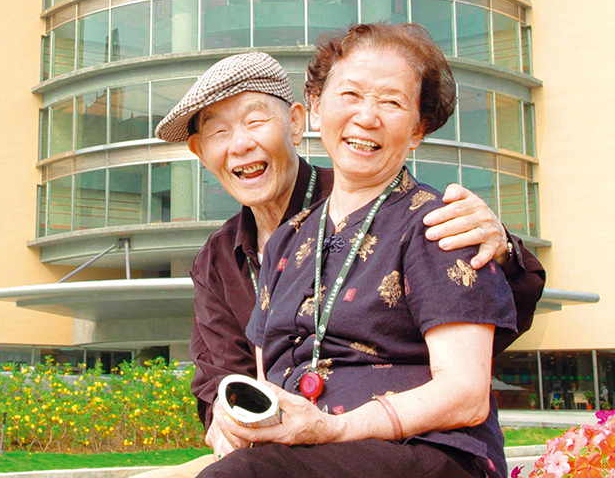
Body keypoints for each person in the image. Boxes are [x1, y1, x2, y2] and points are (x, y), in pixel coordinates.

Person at [153, 48, 545, 460]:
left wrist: (499, 247)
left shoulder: (370, 190)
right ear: (200, 152)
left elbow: (484, 323)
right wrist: (227, 416)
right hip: (282, 445)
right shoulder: (216, 260)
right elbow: (222, 374)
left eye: (255, 122)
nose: (240, 144)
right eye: (218, 133)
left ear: (298, 122)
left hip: (400, 445)